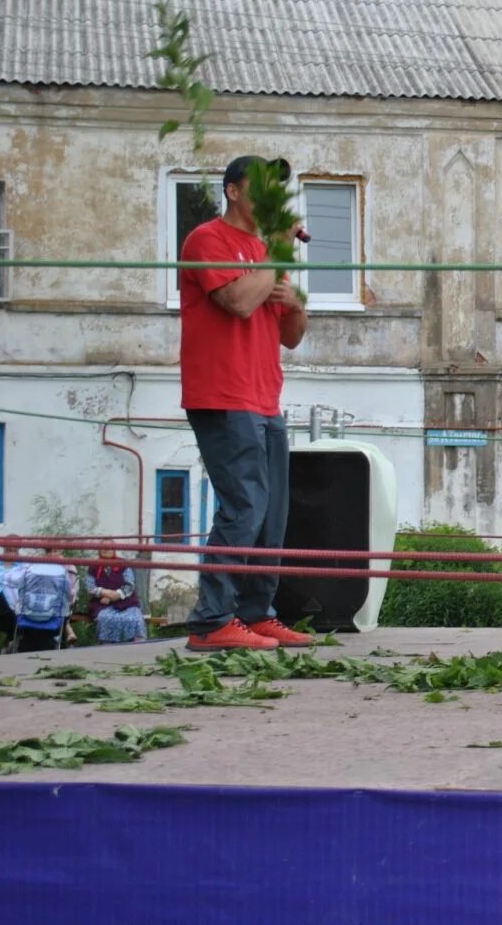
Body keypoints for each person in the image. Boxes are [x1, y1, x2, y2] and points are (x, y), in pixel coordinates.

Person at [181, 154, 313, 652]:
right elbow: (236, 303)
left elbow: (293, 336)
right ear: (234, 191)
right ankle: (211, 621)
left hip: (264, 396)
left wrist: (295, 304)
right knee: (244, 505)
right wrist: (277, 254)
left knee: (272, 512)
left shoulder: (267, 250)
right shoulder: (206, 240)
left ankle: (257, 613)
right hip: (221, 393)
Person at [0, 547, 75, 652]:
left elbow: (19, 583)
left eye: (14, 550)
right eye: (9, 550)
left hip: (22, 610)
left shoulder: (29, 568)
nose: (52, 554)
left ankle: (11, 647)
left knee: (17, 616)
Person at [87, 547, 147, 644]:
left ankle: (136, 647)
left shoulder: (123, 564)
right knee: (107, 619)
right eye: (104, 548)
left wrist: (117, 595)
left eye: (110, 548)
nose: (106, 550)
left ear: (114, 550)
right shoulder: (94, 566)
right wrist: (105, 593)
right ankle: (107, 648)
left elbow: (130, 584)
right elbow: (90, 587)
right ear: (99, 550)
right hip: (102, 604)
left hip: (126, 603)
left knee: (134, 619)